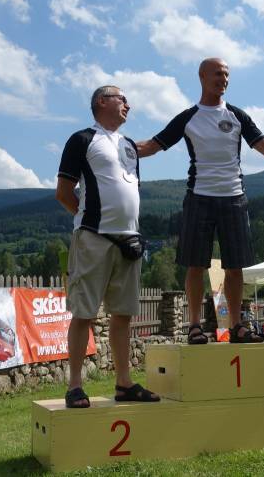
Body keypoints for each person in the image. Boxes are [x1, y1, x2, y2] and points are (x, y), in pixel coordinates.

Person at [137, 57, 264, 344]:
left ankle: (236, 326)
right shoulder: (188, 117)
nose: (224, 80)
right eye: (218, 74)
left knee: (235, 267)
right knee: (195, 265)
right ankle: (194, 326)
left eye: (227, 75)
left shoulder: (237, 115)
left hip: (234, 199)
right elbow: (151, 146)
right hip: (199, 198)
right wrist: (118, 147)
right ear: (202, 77)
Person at [56, 85, 160, 408]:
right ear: (102, 102)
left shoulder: (128, 145)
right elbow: (63, 192)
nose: (128, 103)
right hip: (93, 238)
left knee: (123, 314)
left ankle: (124, 383)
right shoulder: (82, 139)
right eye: (122, 98)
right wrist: (88, 220)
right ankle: (75, 386)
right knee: (84, 312)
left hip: (129, 240)